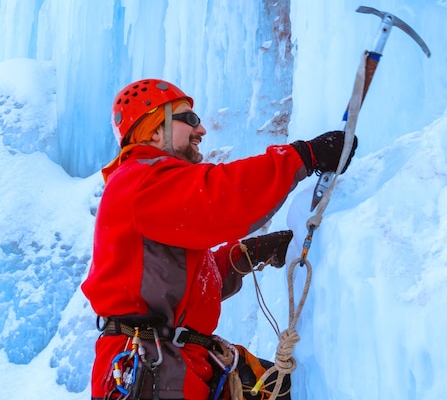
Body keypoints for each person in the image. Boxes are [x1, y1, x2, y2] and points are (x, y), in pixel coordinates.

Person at [81, 78, 357, 400]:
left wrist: (246, 255)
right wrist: (303, 156)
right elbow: (220, 196)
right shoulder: (141, 181)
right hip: (154, 370)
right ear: (155, 130)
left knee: (282, 387)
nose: (201, 130)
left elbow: (182, 284)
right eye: (190, 119)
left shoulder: (147, 189)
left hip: (170, 363)